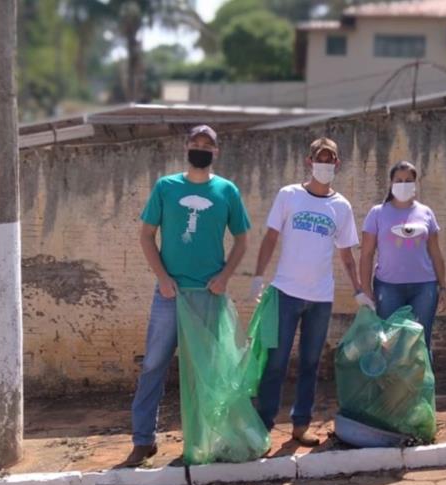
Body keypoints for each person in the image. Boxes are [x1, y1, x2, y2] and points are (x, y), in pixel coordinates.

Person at [124, 124, 251, 466]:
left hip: (209, 295)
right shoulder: (166, 187)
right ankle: (143, 440)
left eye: (207, 144)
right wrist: (163, 278)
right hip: (170, 294)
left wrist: (225, 277)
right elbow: (147, 236)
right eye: (195, 143)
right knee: (153, 365)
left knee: (206, 373)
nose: (200, 148)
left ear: (216, 151)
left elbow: (242, 241)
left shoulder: (227, 191)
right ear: (186, 147)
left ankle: (204, 441)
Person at [249, 137, 373, 446]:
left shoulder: (341, 206)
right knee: (275, 362)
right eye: (321, 157)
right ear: (309, 161)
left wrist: (359, 290)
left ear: (337, 164)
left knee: (310, 363)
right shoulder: (289, 195)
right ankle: (262, 426)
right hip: (285, 293)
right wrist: (257, 276)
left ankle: (300, 425)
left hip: (320, 297)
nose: (326, 164)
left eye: (331, 159)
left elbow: (347, 254)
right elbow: (270, 237)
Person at [359, 160, 446, 354]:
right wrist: (365, 289)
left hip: (424, 288)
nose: (403, 184)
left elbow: (436, 253)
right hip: (388, 287)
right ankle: (389, 384)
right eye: (398, 180)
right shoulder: (377, 213)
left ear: (415, 183)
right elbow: (366, 254)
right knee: (388, 342)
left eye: (408, 180)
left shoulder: (426, 213)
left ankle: (421, 384)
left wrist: (443, 287)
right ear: (391, 183)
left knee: (420, 341)